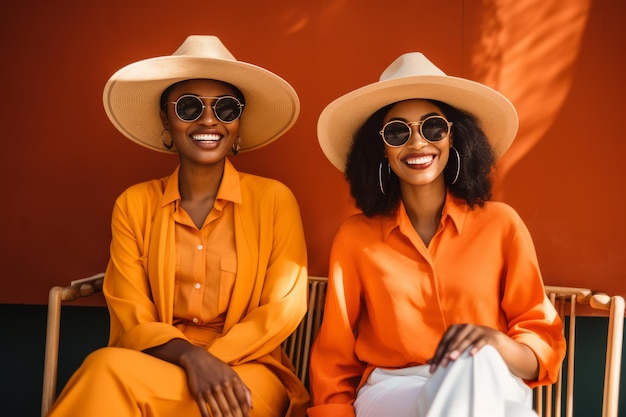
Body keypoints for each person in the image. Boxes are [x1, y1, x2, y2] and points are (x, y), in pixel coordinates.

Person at [47, 35, 310, 417]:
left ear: (238, 123)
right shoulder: (134, 204)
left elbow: (282, 308)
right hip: (159, 363)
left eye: (225, 108)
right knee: (103, 368)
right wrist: (190, 358)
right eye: (189, 107)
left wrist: (214, 362)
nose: (208, 120)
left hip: (248, 371)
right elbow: (131, 312)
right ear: (166, 119)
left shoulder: (273, 200)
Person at [307, 52, 566, 417]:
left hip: (491, 379)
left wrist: (494, 342)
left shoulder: (501, 225)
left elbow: (543, 344)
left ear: (453, 137)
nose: (417, 143)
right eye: (398, 131)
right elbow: (334, 357)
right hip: (395, 390)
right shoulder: (355, 238)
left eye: (433, 127)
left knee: (474, 366)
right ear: (381, 148)